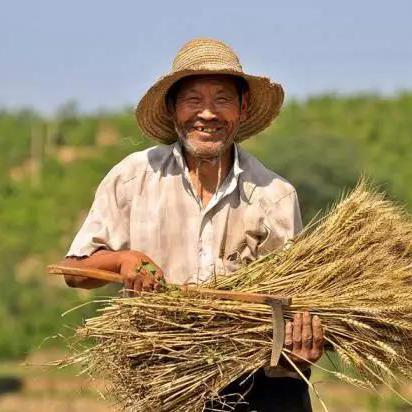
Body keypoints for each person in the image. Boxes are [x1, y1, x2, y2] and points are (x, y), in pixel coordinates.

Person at [62, 38, 324, 411]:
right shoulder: (133, 177)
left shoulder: (274, 195)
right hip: (163, 381)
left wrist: (300, 351)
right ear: (172, 110)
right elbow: (74, 271)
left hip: (257, 388)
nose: (208, 114)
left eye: (222, 99)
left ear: (242, 108)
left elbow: (293, 306)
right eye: (193, 101)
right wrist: (124, 261)